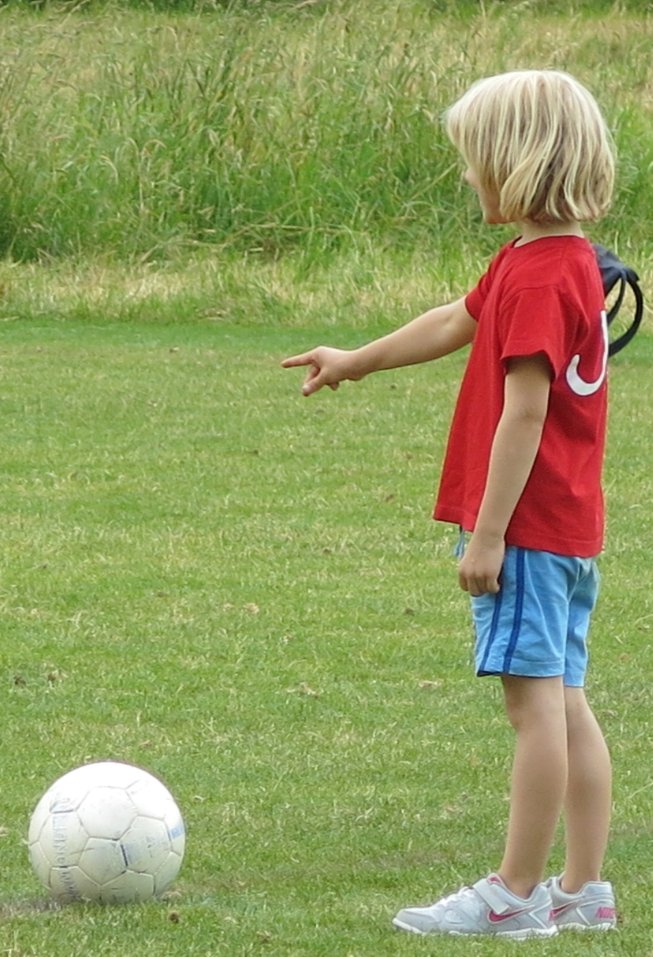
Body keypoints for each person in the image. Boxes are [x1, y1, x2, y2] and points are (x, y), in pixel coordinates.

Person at [282, 70, 618, 939]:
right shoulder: (544, 260)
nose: (467, 177)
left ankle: (514, 891)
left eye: (474, 162)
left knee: (532, 705)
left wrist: (491, 535)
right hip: (566, 529)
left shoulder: (542, 275)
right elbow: (452, 320)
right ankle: (582, 890)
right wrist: (356, 358)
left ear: (517, 162)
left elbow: (526, 408)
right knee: (566, 698)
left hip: (530, 530)